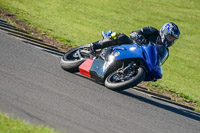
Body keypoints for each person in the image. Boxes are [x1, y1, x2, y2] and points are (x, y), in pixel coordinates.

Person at [91, 22, 180, 64]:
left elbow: (157, 62)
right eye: (170, 37)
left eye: (173, 39)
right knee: (121, 37)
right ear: (164, 33)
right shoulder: (151, 31)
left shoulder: (163, 50)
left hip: (140, 58)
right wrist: (140, 38)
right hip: (132, 46)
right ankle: (94, 46)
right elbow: (134, 33)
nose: (170, 40)